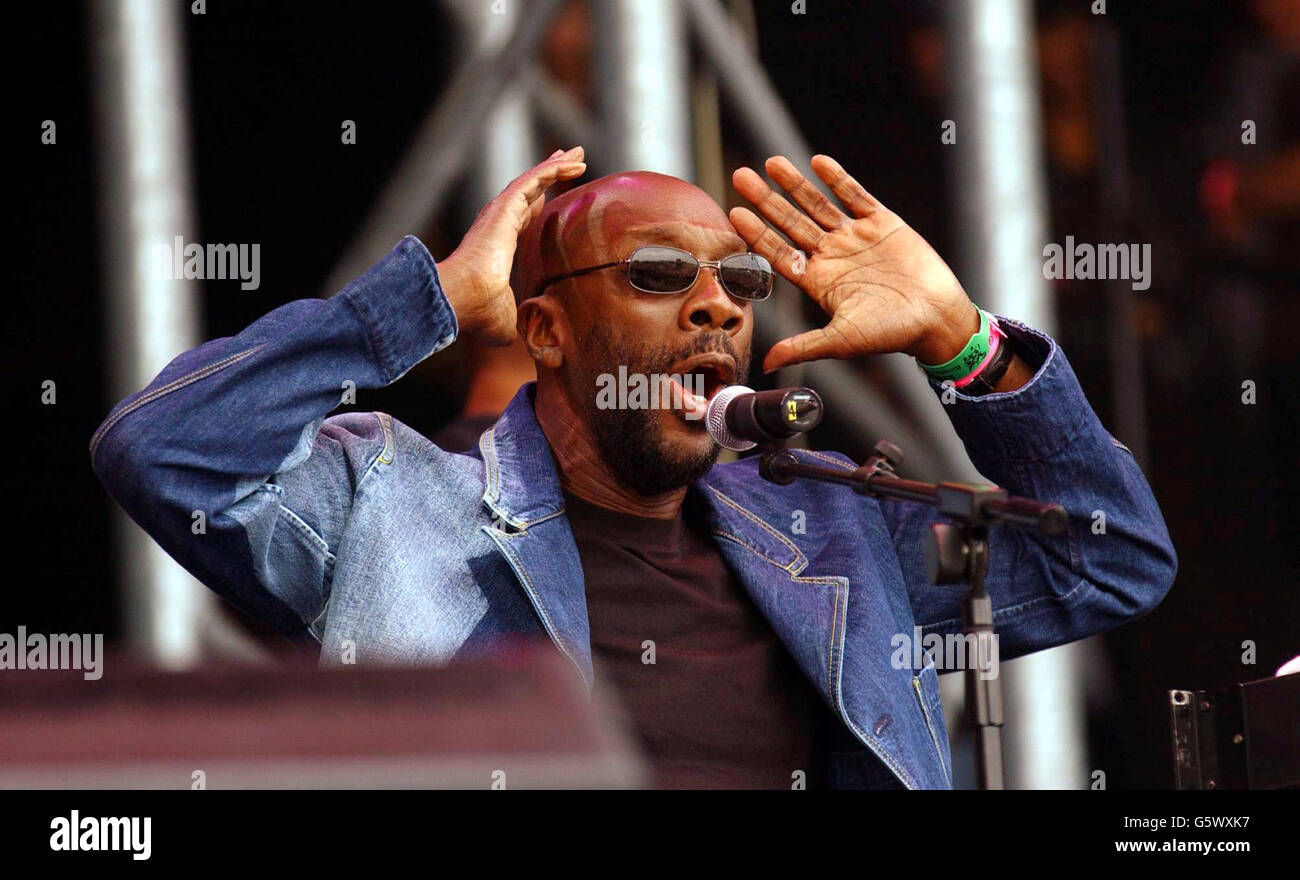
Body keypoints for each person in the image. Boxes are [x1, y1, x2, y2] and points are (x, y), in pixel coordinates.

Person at [90, 147, 1176, 789]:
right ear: (548, 331)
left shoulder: (831, 526)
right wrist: (416, 308)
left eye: (741, 283)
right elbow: (162, 450)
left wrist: (959, 337)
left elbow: (1109, 560)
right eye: (659, 272)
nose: (717, 303)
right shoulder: (391, 501)